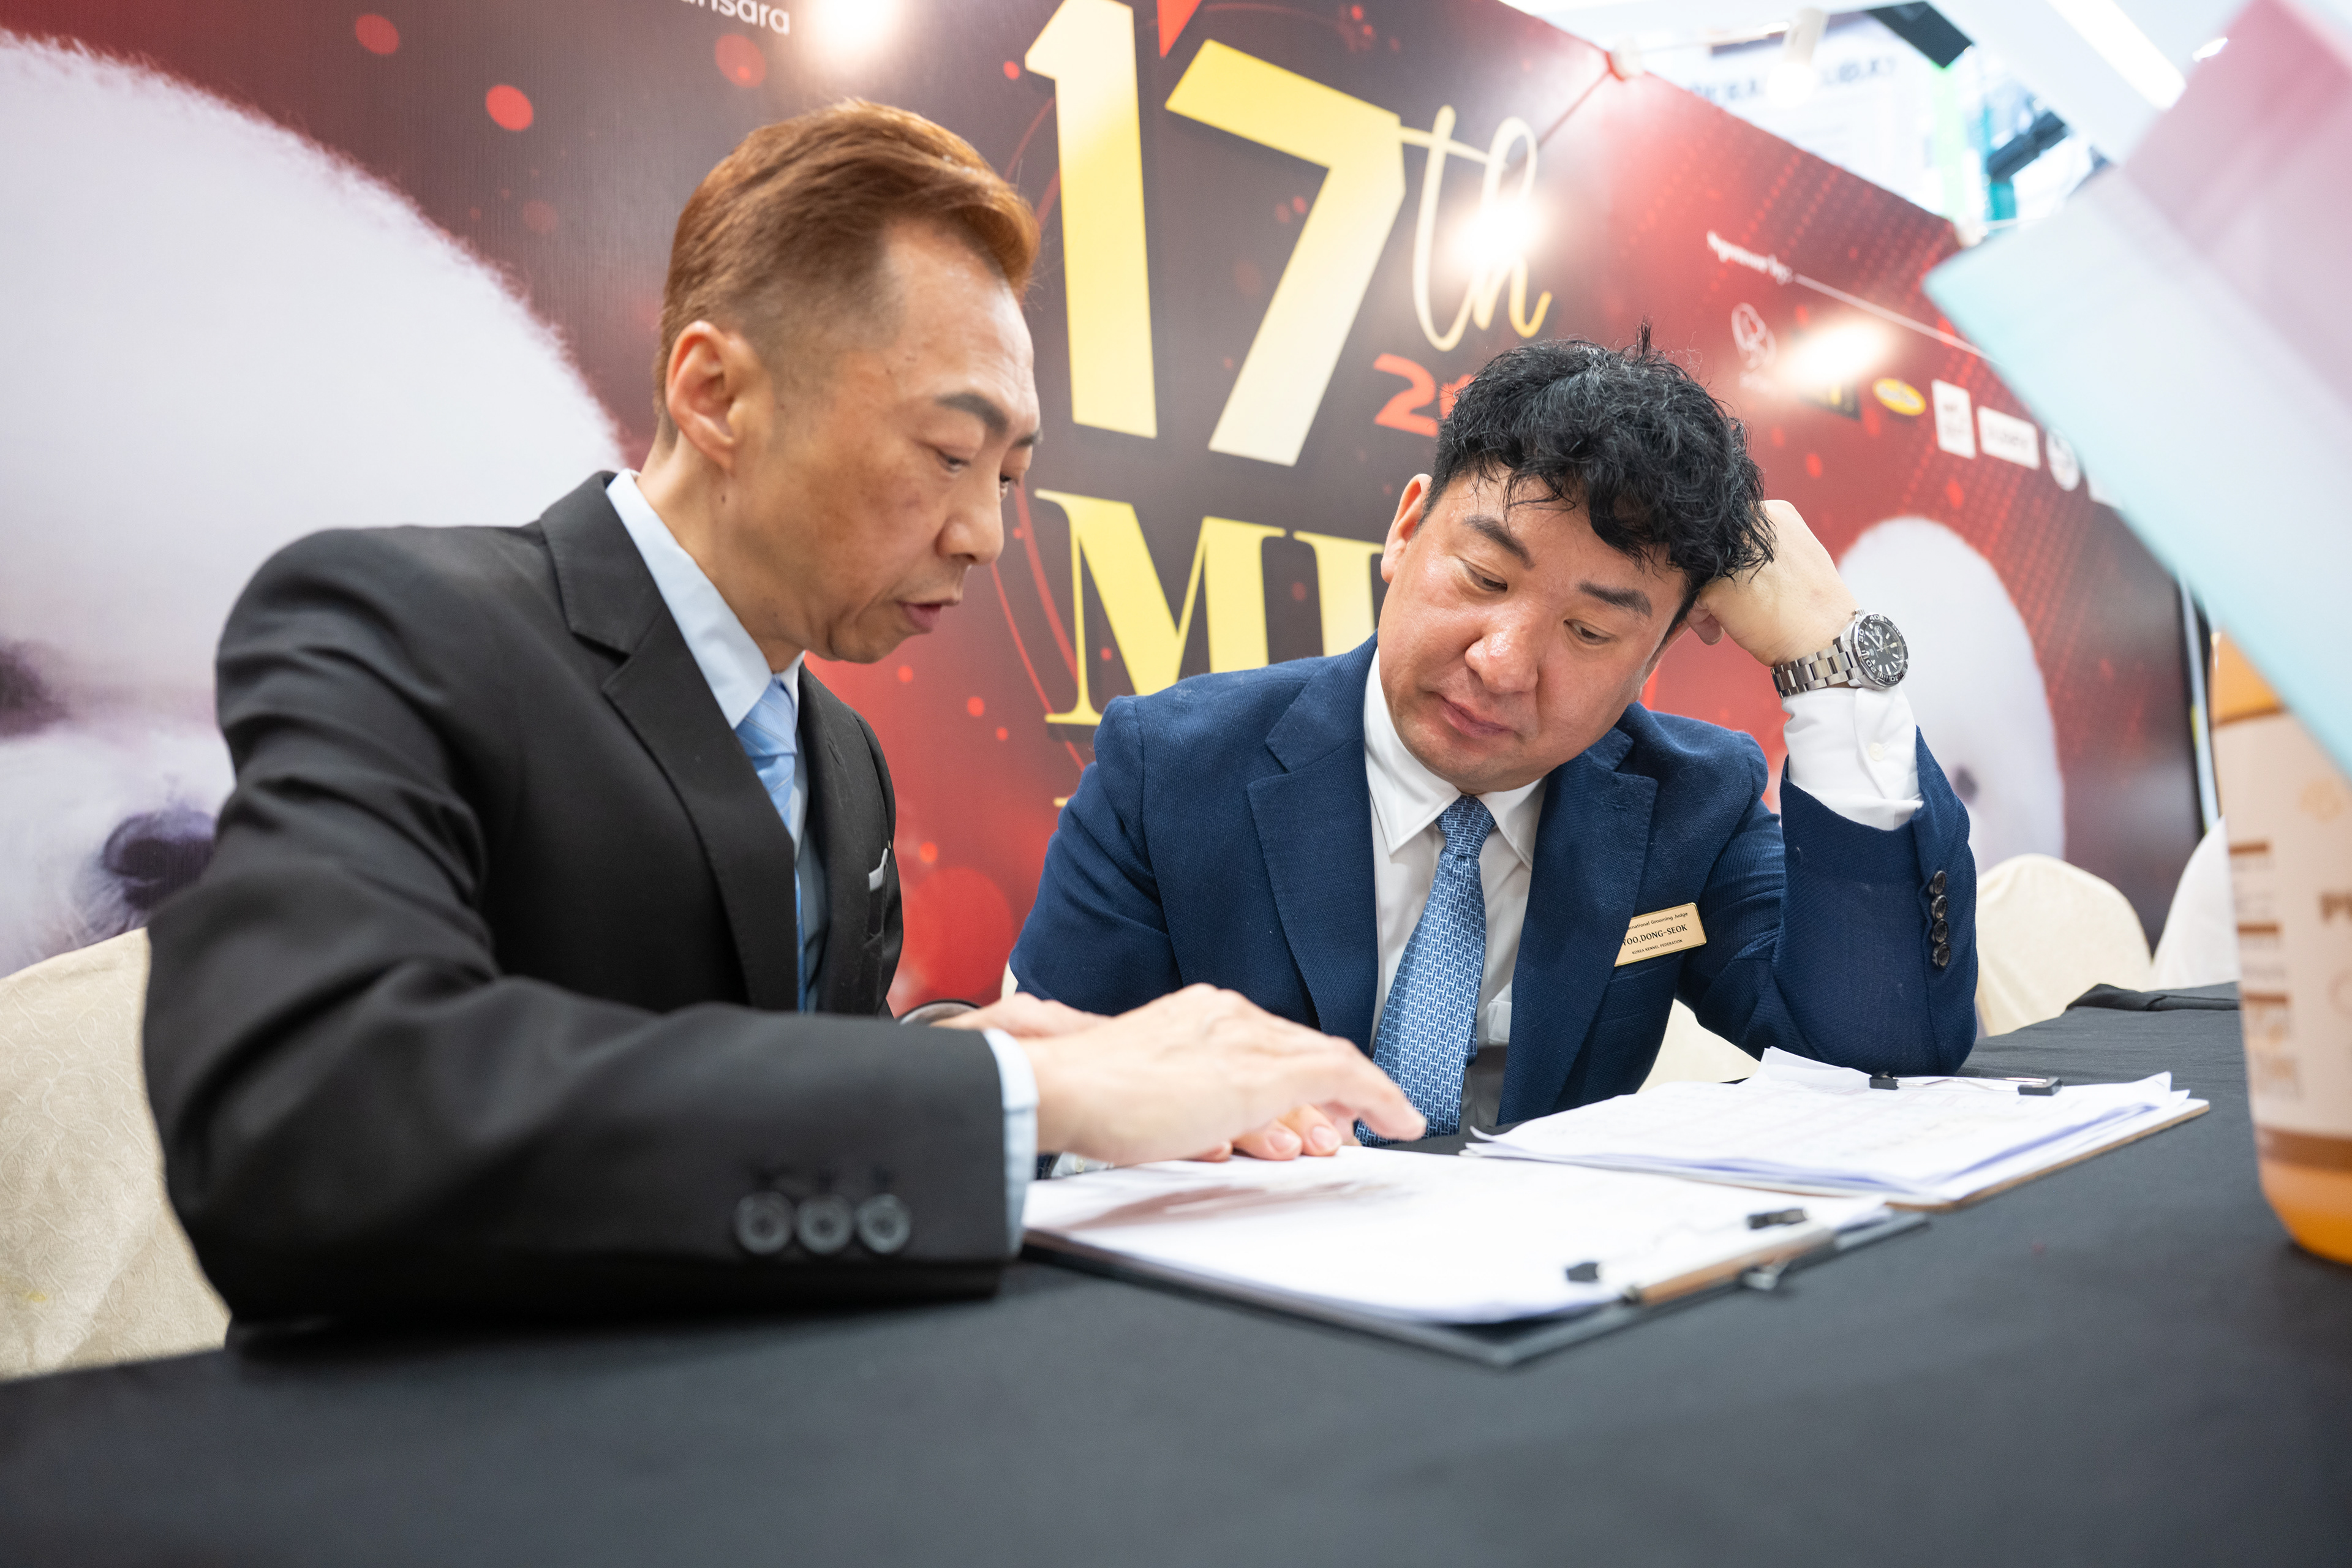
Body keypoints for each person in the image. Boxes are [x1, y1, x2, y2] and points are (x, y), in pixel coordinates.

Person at [142, 102, 1422, 1324]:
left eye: (1010, 477)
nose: (984, 535)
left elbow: (802, 1082)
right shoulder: (401, 626)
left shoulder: (843, 755)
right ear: (714, 393)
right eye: (948, 453)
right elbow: (303, 1111)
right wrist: (1013, 1084)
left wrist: (980, 1048)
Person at [1010, 334, 1977, 1158]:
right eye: (1482, 577)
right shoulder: (1171, 770)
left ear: (1657, 656)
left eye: (1590, 633)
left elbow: (1882, 1047)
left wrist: (1833, 659)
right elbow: (1042, 1126)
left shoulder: (1690, 804)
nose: (1504, 664)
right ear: (1406, 530)